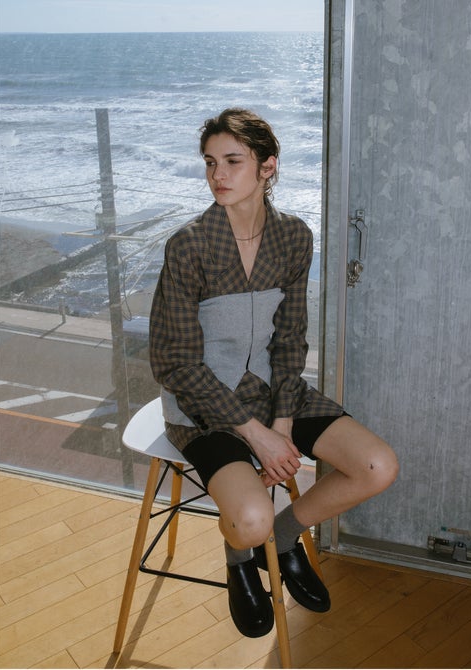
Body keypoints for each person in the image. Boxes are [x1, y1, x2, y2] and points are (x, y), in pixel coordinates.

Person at [149, 108, 399, 638]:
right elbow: (175, 361)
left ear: (268, 166)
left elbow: (290, 338)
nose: (218, 175)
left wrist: (282, 423)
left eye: (233, 161)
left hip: (274, 391)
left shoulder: (293, 237)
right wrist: (257, 435)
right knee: (249, 520)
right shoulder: (190, 244)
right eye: (210, 162)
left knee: (376, 466)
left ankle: (283, 539)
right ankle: (241, 555)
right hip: (205, 405)